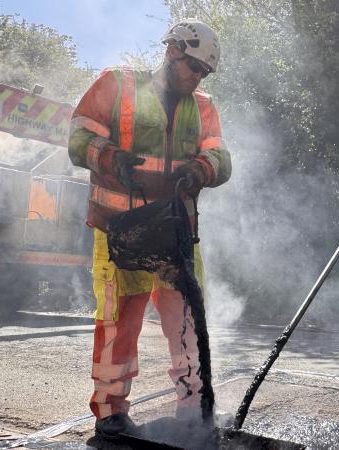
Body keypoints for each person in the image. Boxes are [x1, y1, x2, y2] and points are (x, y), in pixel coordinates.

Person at [67, 19, 231, 439]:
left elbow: (221, 158)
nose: (198, 78)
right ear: (173, 51)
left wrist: (200, 169)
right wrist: (111, 158)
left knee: (188, 321)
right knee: (119, 322)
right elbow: (78, 137)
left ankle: (194, 408)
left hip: (176, 230)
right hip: (121, 230)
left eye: (204, 73)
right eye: (194, 67)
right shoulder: (116, 85)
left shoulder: (204, 106)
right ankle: (110, 413)